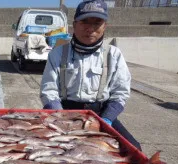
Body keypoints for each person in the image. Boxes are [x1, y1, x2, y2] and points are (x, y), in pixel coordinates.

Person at [40, 0, 141, 151]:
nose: (90, 28)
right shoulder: (58, 53)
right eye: (85, 22)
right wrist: (61, 118)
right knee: (46, 149)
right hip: (64, 113)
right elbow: (49, 91)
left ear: (104, 26)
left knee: (134, 149)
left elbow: (120, 93)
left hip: (101, 114)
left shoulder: (113, 54)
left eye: (97, 23)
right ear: (74, 25)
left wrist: (106, 119)